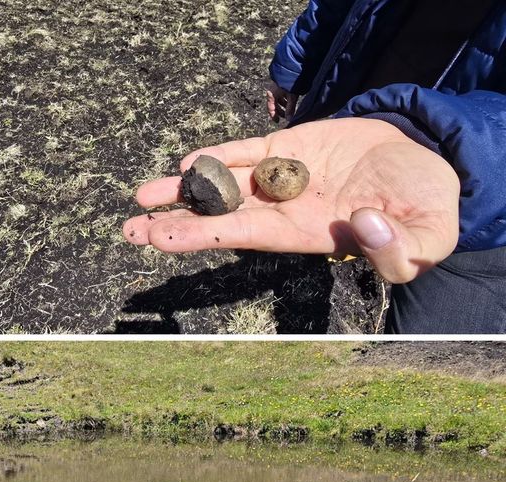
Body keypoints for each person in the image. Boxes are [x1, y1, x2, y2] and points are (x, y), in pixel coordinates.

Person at [123, 0, 506, 334]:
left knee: (427, 350)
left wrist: (456, 148)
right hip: (351, 119)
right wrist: (292, 68)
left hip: (487, 212)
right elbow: (334, 6)